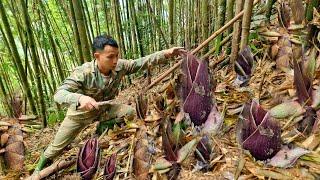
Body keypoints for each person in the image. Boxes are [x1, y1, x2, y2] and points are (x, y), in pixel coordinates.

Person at [32, 34, 185, 175]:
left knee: (130, 112)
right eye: (110, 57)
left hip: (105, 109)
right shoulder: (83, 72)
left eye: (117, 56)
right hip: (80, 115)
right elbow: (59, 94)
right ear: (97, 56)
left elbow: (140, 63)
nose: (115, 61)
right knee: (56, 148)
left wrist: (166, 53)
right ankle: (37, 172)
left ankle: (102, 127)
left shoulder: (119, 66)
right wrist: (80, 99)